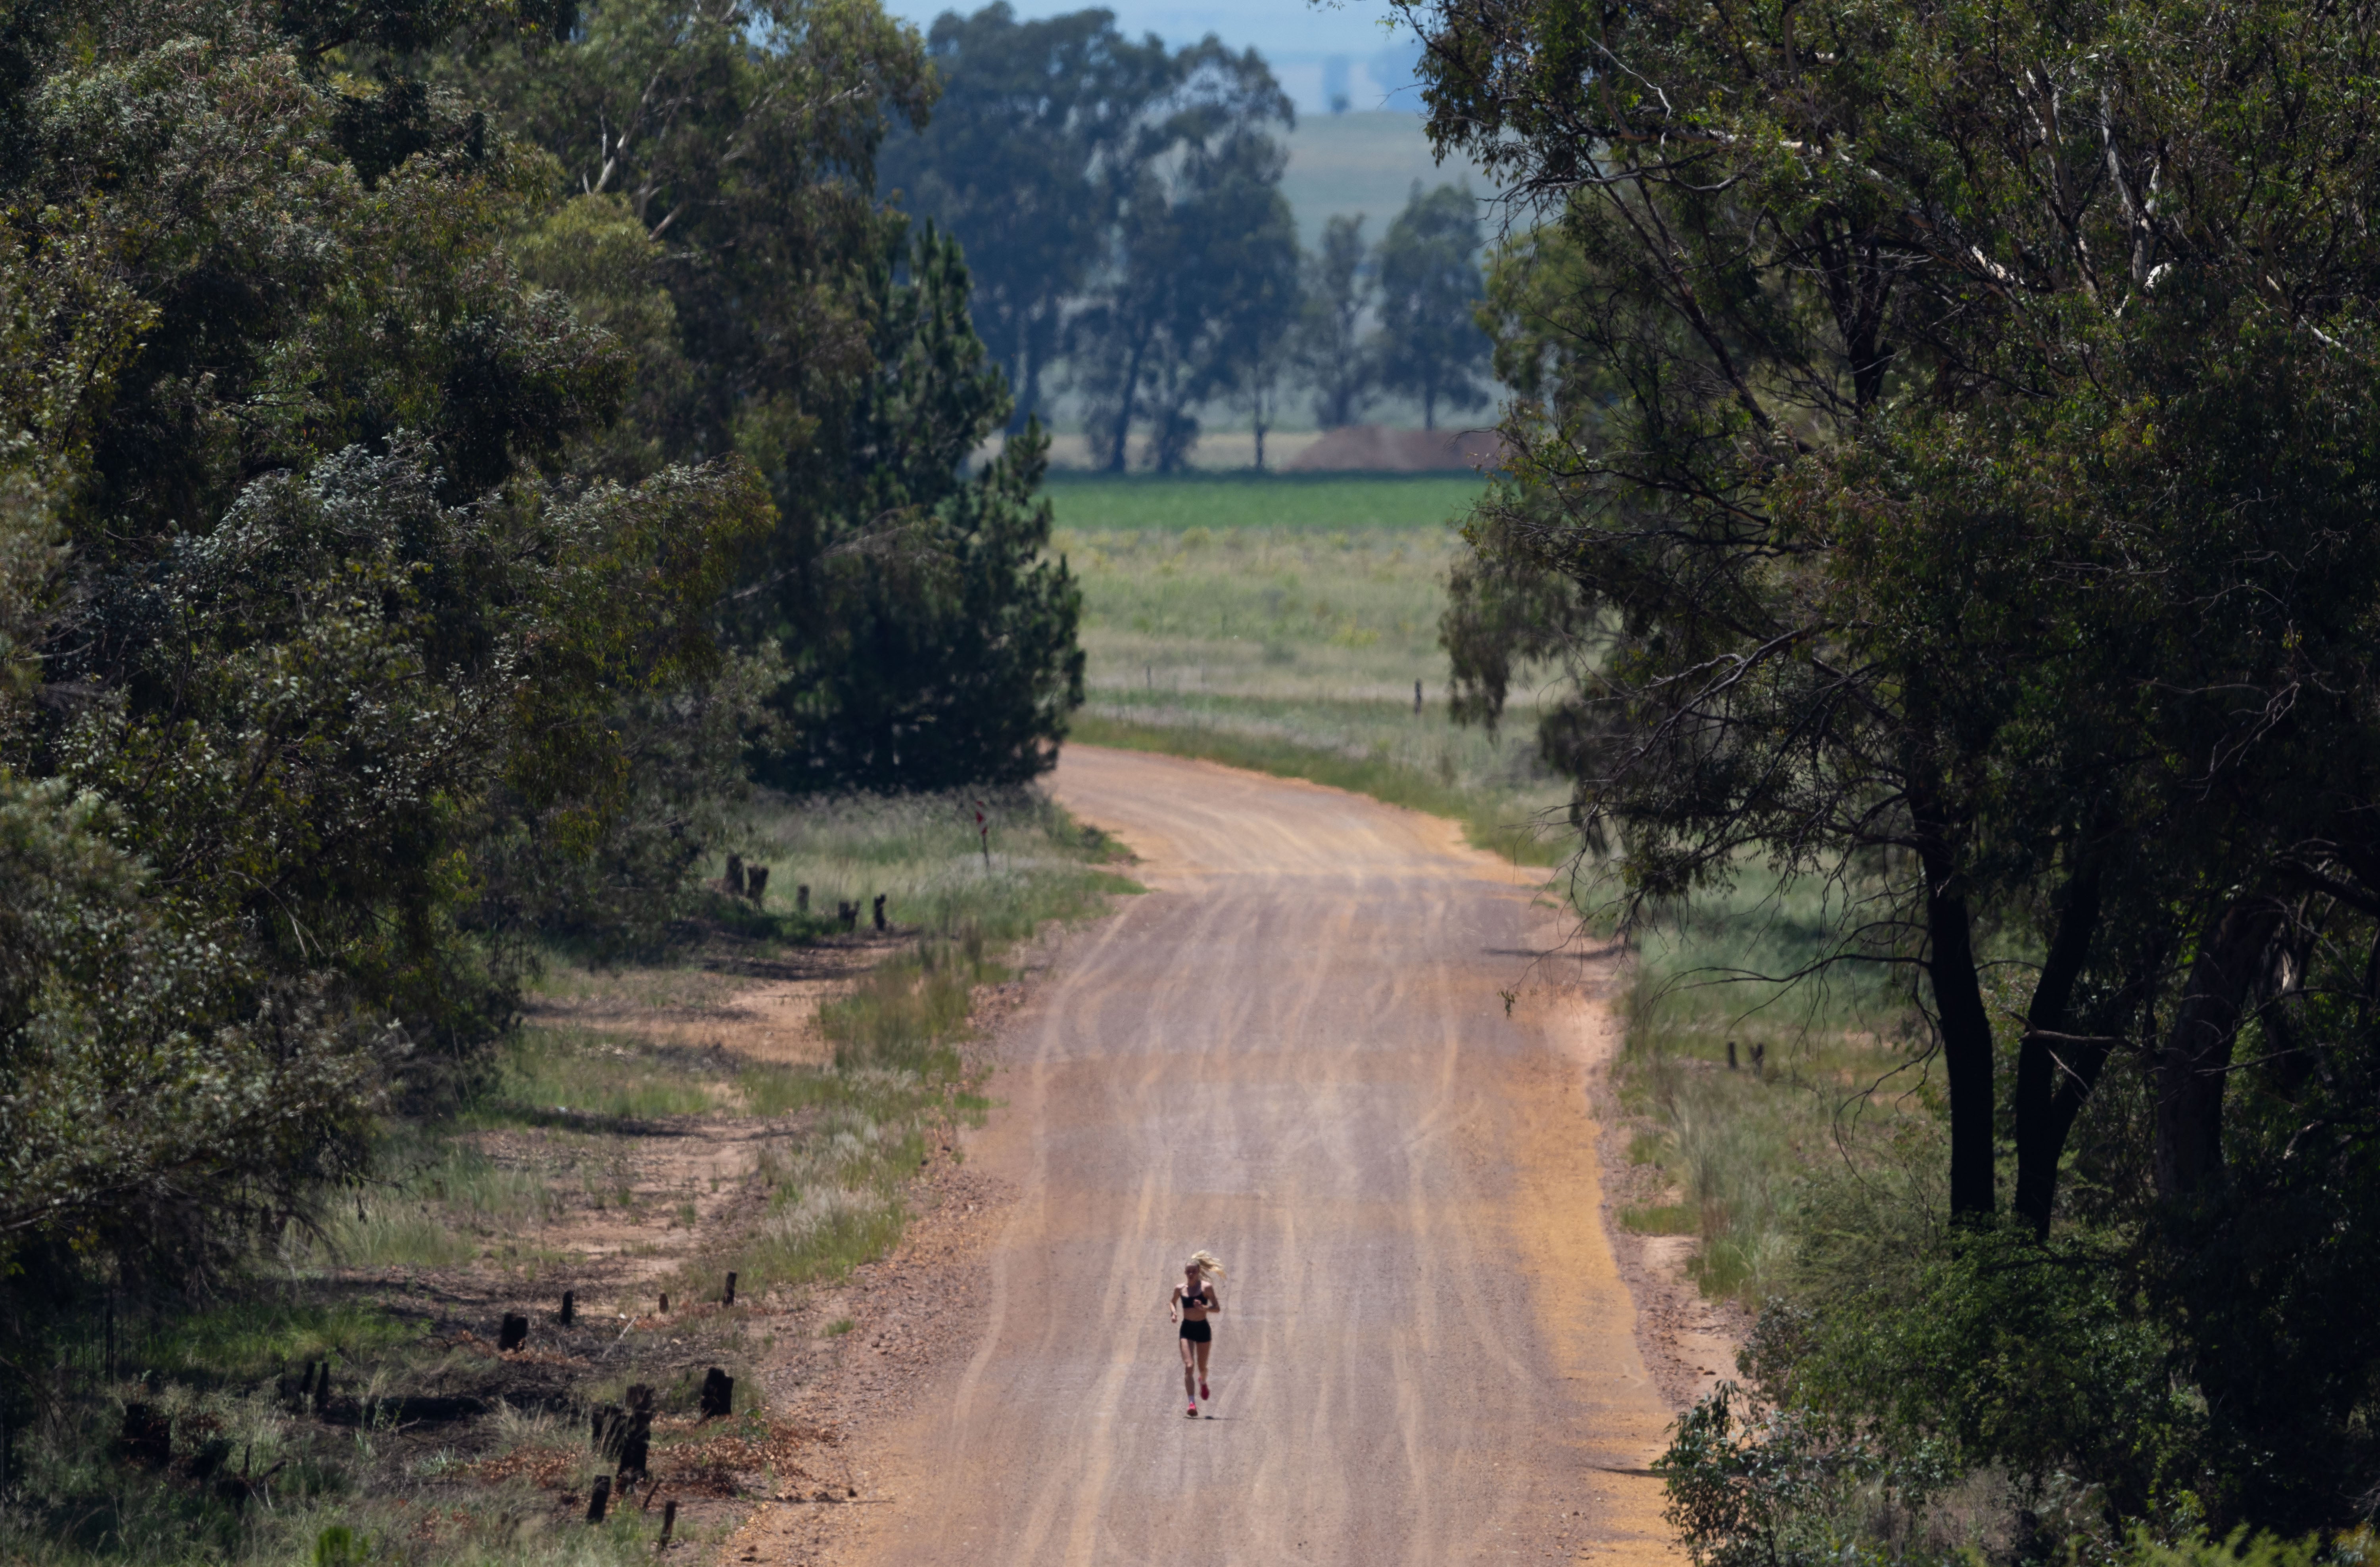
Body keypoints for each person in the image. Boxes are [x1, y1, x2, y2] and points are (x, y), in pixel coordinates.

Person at [1169, 1251, 1226, 1417]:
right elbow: (1172, 1303)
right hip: (1186, 1329)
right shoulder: (1180, 1289)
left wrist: (1204, 1308)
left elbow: (1217, 1309)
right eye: (1188, 1271)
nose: (1191, 1274)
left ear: (1199, 1271)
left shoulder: (1206, 1288)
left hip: (1202, 1329)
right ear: (1185, 1272)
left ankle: (1203, 1381)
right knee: (1189, 1366)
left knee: (1202, 1368)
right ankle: (1192, 1403)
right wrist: (1173, 1313)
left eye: (1194, 1271)